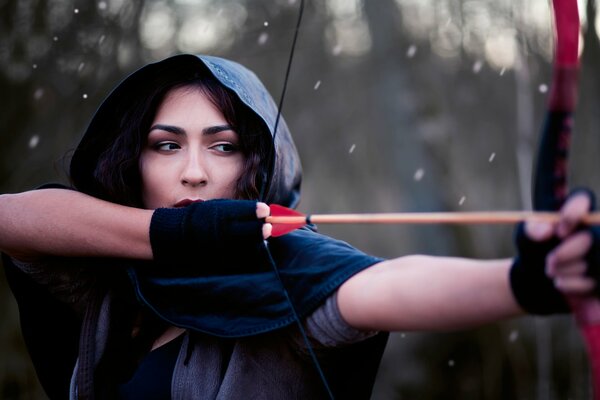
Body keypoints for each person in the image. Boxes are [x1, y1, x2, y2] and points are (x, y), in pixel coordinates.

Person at [0, 54, 597, 400]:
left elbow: (387, 287)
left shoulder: (288, 268)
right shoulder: (108, 277)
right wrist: (175, 237)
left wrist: (525, 280)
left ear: (258, 163)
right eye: (165, 145)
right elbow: (15, 217)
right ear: (132, 160)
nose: (194, 173)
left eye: (223, 146)